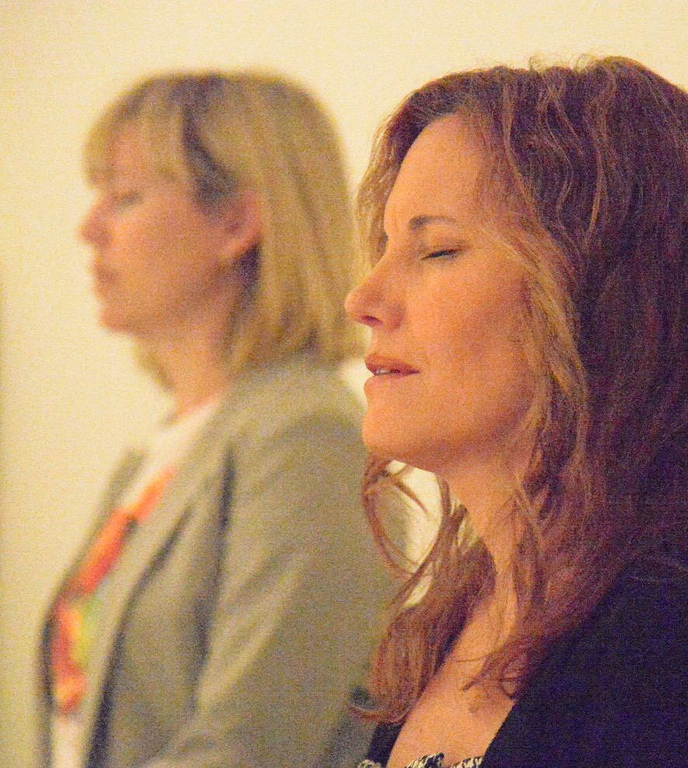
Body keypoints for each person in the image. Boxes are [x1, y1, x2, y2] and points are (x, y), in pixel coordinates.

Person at [344, 57, 688, 768]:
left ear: (600, 302)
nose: (364, 299)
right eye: (384, 246)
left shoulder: (687, 650)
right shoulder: (449, 624)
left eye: (436, 249)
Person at [38, 71, 389, 768]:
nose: (89, 228)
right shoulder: (160, 453)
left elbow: (251, 745)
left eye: (125, 196)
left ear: (235, 223)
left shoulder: (307, 436)